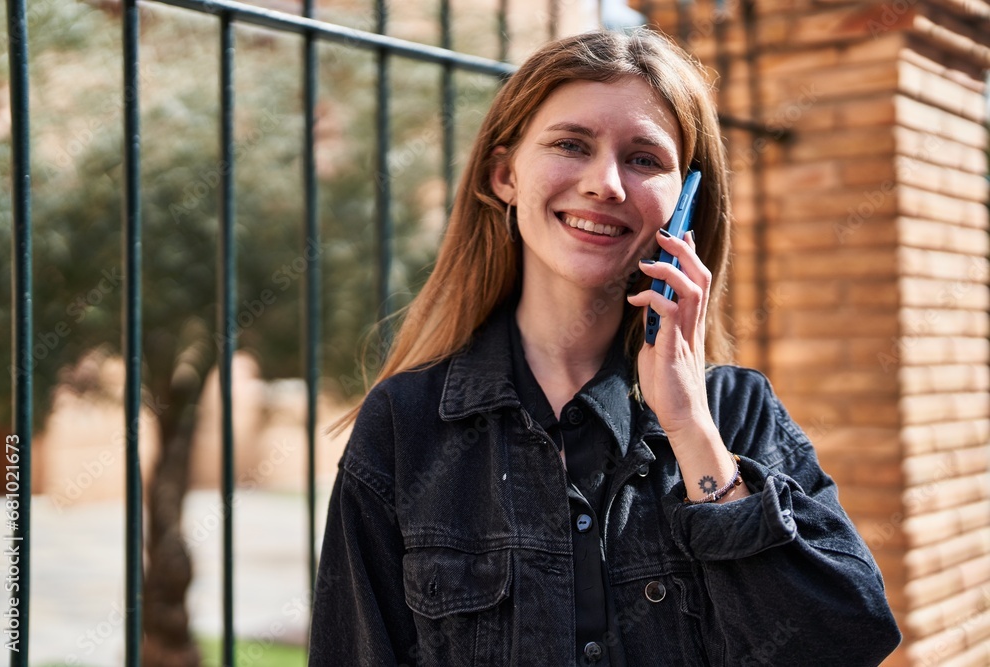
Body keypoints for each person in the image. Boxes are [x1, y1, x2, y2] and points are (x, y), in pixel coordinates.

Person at [308, 28, 901, 667]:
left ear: (685, 204)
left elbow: (843, 642)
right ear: (504, 175)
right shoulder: (406, 424)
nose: (606, 184)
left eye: (645, 158)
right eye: (571, 144)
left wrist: (690, 426)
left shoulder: (736, 414)